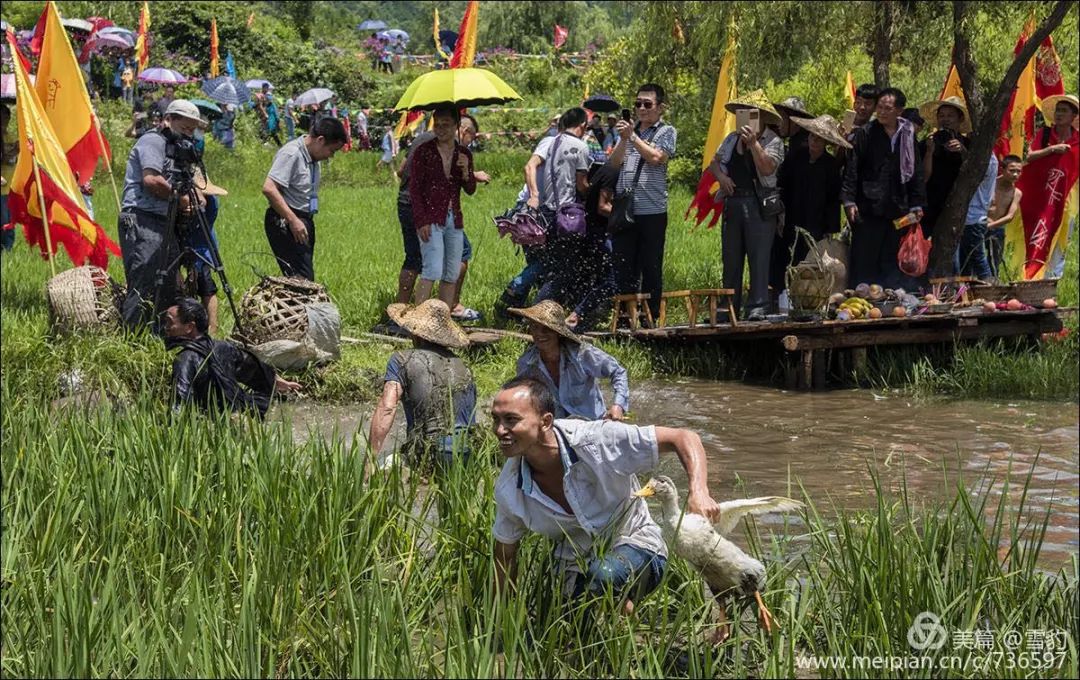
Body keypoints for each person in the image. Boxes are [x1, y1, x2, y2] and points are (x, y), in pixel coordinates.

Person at [491, 377, 722, 612]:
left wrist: (699, 492)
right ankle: (615, 612)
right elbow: (504, 557)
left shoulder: (598, 440)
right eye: (495, 420)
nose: (500, 430)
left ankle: (623, 609)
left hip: (637, 545)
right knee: (566, 635)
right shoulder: (509, 489)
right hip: (574, 565)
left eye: (511, 420)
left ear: (546, 421)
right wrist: (500, 622)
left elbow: (683, 437)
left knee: (603, 575)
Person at [118, 100, 209, 331]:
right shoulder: (153, 140)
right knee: (145, 282)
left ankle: (162, 333)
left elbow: (186, 181)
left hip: (165, 222)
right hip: (142, 217)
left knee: (170, 282)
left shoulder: (179, 148)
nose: (188, 134)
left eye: (192, 130)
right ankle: (133, 338)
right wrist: (182, 199)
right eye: (184, 128)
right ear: (169, 120)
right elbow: (152, 180)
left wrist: (196, 195)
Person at [368, 300, 477, 474]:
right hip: (466, 453)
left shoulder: (401, 359)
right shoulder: (464, 367)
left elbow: (387, 408)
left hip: (427, 452)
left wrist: (370, 458)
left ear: (415, 333)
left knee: (376, 475)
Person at [709, 90, 785, 320]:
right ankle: (728, 308)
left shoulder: (773, 140)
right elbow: (715, 162)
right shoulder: (732, 139)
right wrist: (722, 178)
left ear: (762, 117)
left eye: (752, 114)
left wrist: (753, 144)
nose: (747, 118)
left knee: (759, 256)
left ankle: (758, 306)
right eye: (743, 113)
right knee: (731, 258)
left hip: (759, 204)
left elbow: (767, 168)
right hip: (733, 202)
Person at [841, 87, 926, 289]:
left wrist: (917, 203)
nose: (881, 112)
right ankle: (861, 302)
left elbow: (916, 172)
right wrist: (849, 200)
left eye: (887, 108)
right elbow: (852, 169)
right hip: (868, 207)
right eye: (879, 107)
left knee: (892, 256)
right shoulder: (865, 134)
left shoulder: (908, 135)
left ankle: (891, 299)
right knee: (865, 257)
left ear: (899, 110)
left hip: (898, 207)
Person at [606, 83, 677, 321]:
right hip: (625, 209)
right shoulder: (629, 132)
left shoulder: (666, 131)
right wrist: (625, 140)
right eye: (638, 104)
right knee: (624, 266)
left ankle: (651, 316)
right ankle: (626, 317)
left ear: (660, 107)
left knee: (650, 266)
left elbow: (657, 157)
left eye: (648, 104)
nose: (642, 109)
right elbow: (615, 163)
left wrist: (633, 137)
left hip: (652, 211)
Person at [165, 298, 300, 418]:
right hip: (242, 412)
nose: (166, 328)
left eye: (169, 322)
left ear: (189, 327)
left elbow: (179, 403)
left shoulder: (184, 359)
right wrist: (275, 380)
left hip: (214, 420)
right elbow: (252, 367)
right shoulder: (223, 347)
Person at [770, 115, 848, 300]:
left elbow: (832, 199)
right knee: (785, 257)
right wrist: (779, 214)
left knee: (811, 260)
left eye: (820, 139)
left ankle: (807, 298)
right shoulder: (795, 157)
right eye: (813, 137)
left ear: (826, 142)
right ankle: (781, 296)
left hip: (816, 221)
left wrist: (831, 228)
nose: (815, 142)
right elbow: (781, 184)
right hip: (791, 216)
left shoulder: (830, 165)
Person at [511, 300, 629, 420]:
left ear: (557, 332)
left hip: (591, 425)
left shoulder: (581, 354)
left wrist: (618, 406)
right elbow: (524, 396)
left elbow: (618, 372)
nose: (540, 334)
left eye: (547, 329)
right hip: (556, 430)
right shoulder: (527, 364)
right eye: (535, 327)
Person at [262, 116, 347, 280]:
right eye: (332, 151)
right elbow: (269, 188)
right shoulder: (292, 153)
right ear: (320, 140)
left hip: (303, 221)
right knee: (302, 280)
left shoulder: (314, 157)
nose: (331, 156)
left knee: (301, 278)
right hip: (286, 222)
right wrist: (293, 220)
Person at [408, 105, 477, 307]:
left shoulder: (464, 154)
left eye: (446, 125)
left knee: (451, 272)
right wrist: (421, 221)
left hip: (453, 219)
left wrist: (466, 172)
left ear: (457, 126)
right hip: (431, 218)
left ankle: (443, 319)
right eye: (437, 125)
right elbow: (414, 189)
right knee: (432, 269)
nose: (441, 129)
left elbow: (470, 189)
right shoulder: (424, 152)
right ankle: (420, 318)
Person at [1023, 94, 1078, 279]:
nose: (1059, 114)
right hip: (1041, 197)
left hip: (1067, 199)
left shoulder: (1078, 140)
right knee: (1037, 235)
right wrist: (1052, 149)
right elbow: (1029, 157)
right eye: (1058, 110)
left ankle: (1052, 281)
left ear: (1073, 116)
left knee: (1062, 236)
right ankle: (1031, 278)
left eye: (1064, 111)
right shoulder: (1045, 134)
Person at [181, 169, 227, 335]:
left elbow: (204, 220)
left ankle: (212, 330)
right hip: (181, 241)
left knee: (205, 285)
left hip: (202, 245)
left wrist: (195, 207)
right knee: (178, 282)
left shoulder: (210, 203)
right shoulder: (183, 198)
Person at [920, 96, 971, 239]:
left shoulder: (968, 144)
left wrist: (962, 151)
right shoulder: (927, 143)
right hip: (928, 204)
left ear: (960, 119)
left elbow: (974, 172)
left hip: (955, 205)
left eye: (950, 116)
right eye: (941, 115)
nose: (945, 119)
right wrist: (930, 151)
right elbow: (921, 176)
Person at [955, 153, 998, 280]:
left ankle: (990, 290)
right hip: (975, 216)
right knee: (967, 261)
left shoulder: (986, 160)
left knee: (977, 258)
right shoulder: (990, 159)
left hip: (974, 217)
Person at [985, 154, 1023, 278]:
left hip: (997, 228)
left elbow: (1010, 216)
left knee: (995, 261)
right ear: (1002, 169)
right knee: (974, 259)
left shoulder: (1016, 193)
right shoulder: (990, 183)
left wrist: (991, 225)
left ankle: (993, 284)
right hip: (980, 224)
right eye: (1012, 171)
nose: (1015, 175)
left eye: (1019, 171)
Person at [1, 104, 17, 252]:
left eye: (6, 118)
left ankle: (8, 249)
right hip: (2, 187)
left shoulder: (10, 137)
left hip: (10, 186)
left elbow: (10, 159)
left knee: (9, 221)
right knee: (3, 220)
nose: (4, 122)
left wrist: (17, 150)